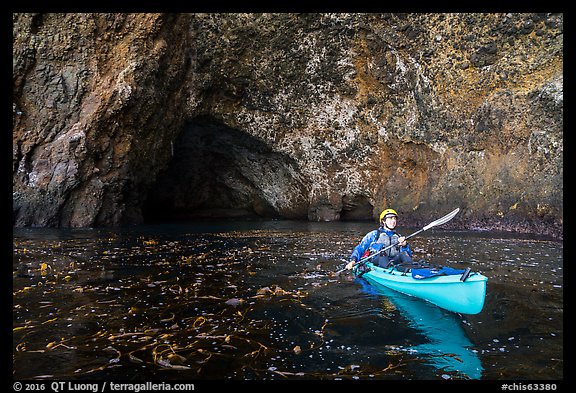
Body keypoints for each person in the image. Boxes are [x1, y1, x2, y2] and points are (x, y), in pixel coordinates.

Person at [345, 208, 413, 270]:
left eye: (394, 219)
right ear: (383, 221)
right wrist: (353, 260)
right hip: (377, 261)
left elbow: (408, 255)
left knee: (404, 254)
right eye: (390, 218)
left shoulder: (398, 237)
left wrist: (405, 245)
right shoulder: (374, 235)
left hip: (392, 262)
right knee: (382, 254)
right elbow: (360, 248)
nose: (393, 221)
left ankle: (410, 270)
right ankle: (387, 272)